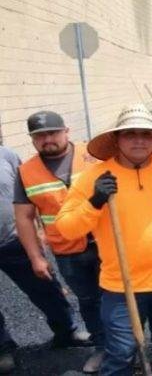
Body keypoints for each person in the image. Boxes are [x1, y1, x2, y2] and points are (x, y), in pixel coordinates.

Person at [56, 103, 152, 375]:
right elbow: (65, 229)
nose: (139, 139)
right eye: (130, 133)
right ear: (116, 139)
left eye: (146, 134)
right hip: (120, 285)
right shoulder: (93, 177)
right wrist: (95, 201)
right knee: (121, 353)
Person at [13, 111, 104, 373]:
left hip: (106, 243)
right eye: (39, 136)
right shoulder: (27, 171)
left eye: (52, 133)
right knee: (88, 300)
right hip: (68, 250)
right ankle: (102, 346)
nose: (47, 139)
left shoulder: (93, 154)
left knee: (118, 296)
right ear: (32, 140)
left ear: (66, 131)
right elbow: (24, 218)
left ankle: (126, 345)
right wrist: (36, 257)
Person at [0, 145, 91, 374]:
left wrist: (38, 232)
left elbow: (27, 197)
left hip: (13, 239)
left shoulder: (7, 155)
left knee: (44, 285)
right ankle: (3, 347)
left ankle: (66, 331)